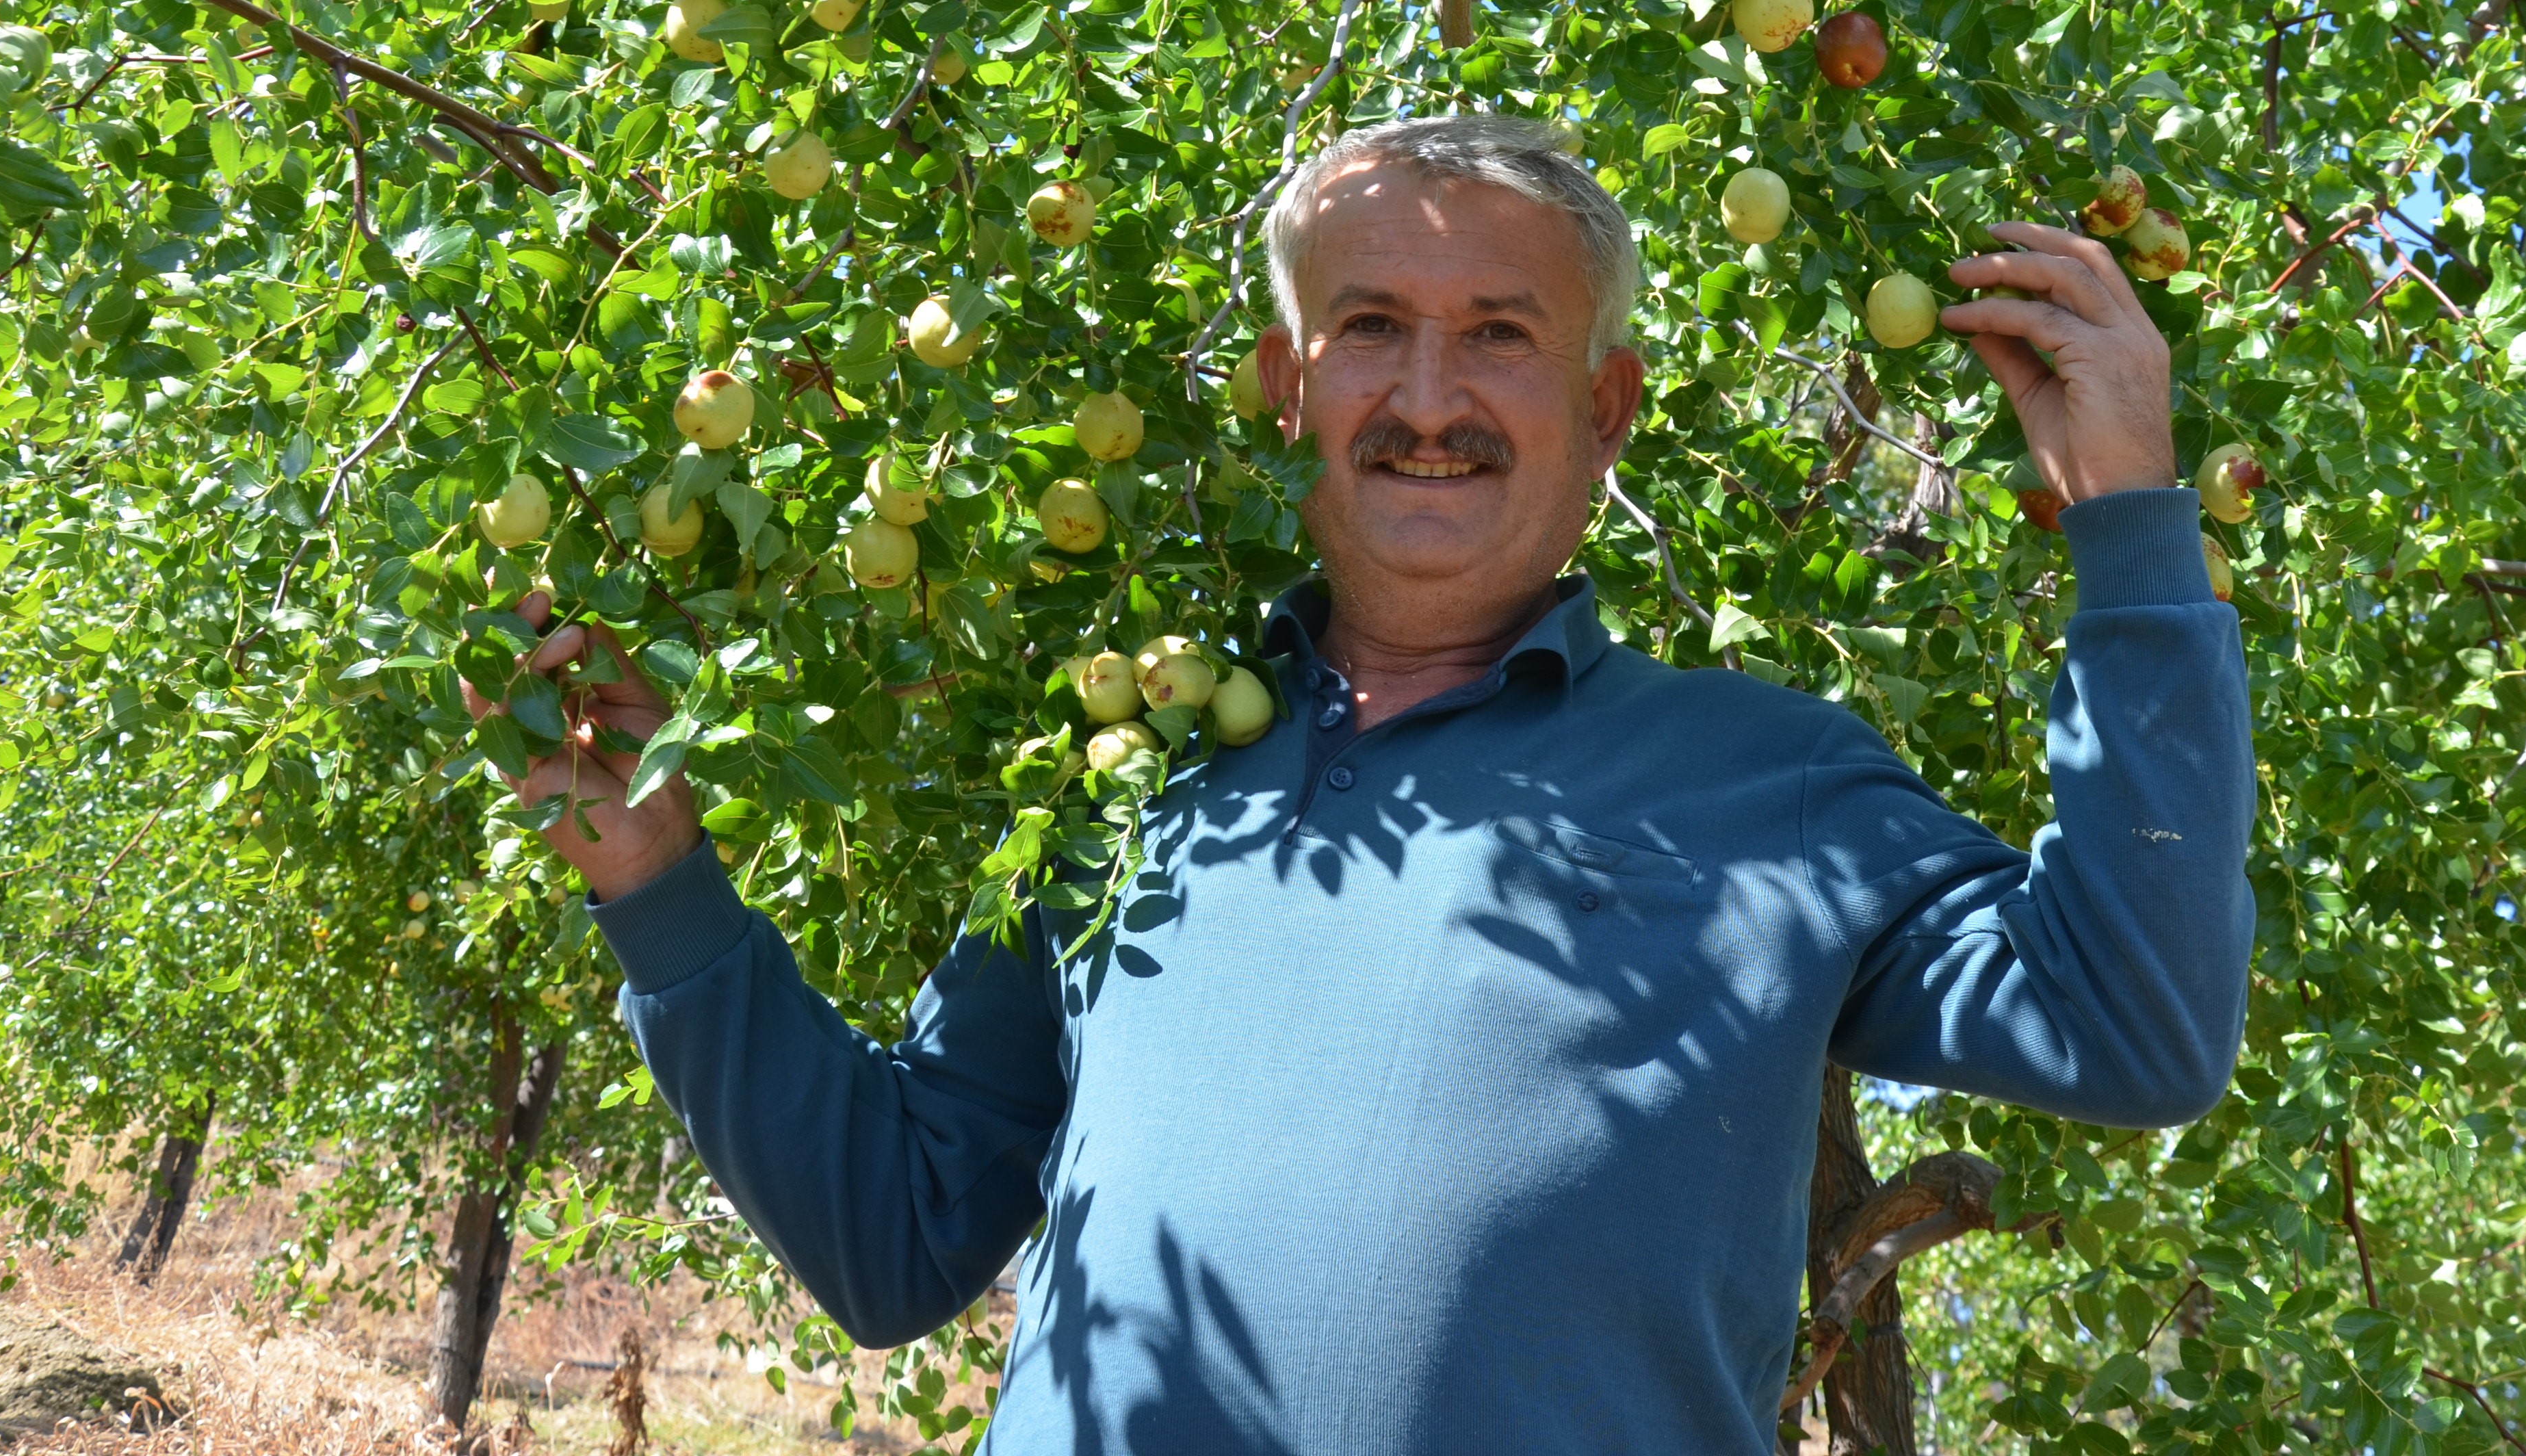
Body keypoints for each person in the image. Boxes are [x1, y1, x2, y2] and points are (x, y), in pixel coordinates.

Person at [494, 114, 2252, 1455]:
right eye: (1368, 329)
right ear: (1284, 386)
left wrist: (2129, 526)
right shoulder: (1121, 784)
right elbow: (890, 1239)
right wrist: (660, 886)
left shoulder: (1763, 774)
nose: (1428, 395)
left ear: (1608, 402)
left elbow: (2139, 1024)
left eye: (1498, 333)